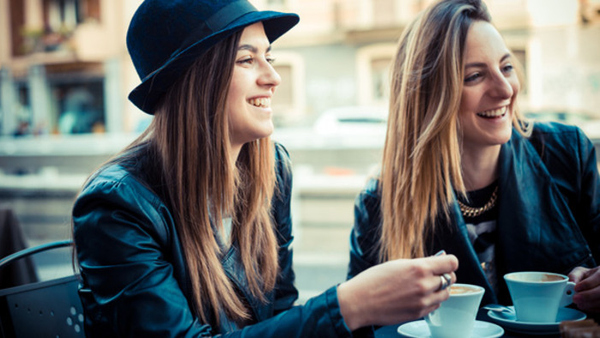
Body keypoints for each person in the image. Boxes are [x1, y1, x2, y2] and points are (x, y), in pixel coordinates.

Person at [72, 0, 458, 336]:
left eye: (268, 57)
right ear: (195, 80)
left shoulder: (271, 171)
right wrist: (349, 305)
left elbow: (278, 315)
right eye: (246, 59)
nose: (272, 78)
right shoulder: (117, 206)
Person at [348, 0, 600, 316]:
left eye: (507, 67)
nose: (505, 89)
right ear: (429, 96)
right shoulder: (380, 203)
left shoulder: (568, 153)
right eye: (475, 76)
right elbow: (360, 326)